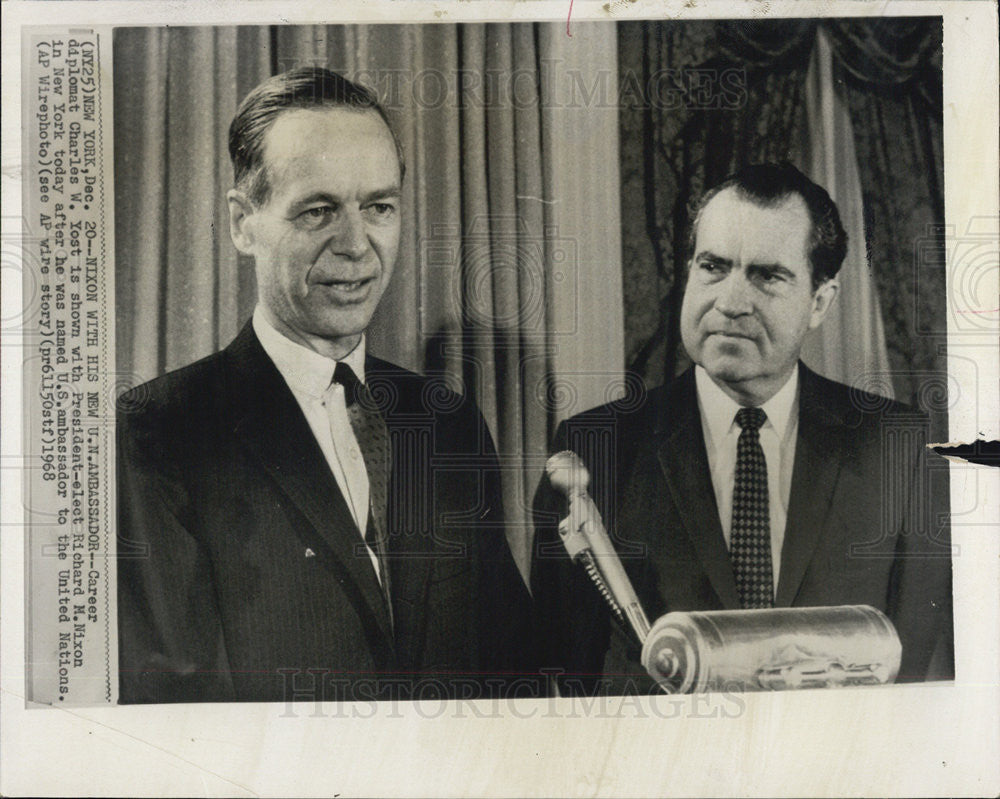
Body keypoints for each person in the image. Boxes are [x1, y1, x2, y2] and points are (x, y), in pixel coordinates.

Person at [117, 68, 535, 703]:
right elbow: (182, 718)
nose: (356, 245)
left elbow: (513, 671)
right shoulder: (159, 433)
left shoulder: (447, 422)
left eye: (379, 208)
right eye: (318, 211)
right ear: (243, 224)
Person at [532, 162, 953, 695]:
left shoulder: (903, 450)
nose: (730, 303)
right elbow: (566, 680)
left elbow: (912, 676)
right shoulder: (593, 450)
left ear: (820, 302)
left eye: (767, 275)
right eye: (713, 266)